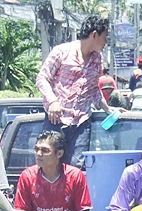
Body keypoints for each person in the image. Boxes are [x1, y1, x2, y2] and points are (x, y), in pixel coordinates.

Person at [36, 15, 116, 169]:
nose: (106, 43)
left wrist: (107, 108)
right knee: (50, 167)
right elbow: (42, 78)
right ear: (94, 35)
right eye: (104, 37)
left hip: (81, 123)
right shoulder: (62, 52)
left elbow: (93, 88)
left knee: (76, 169)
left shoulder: (97, 59)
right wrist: (53, 101)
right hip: (57, 121)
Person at [14, 131, 92, 211]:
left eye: (45, 150)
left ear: (59, 153)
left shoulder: (75, 175)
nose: (39, 154)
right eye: (36, 149)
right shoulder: (27, 175)